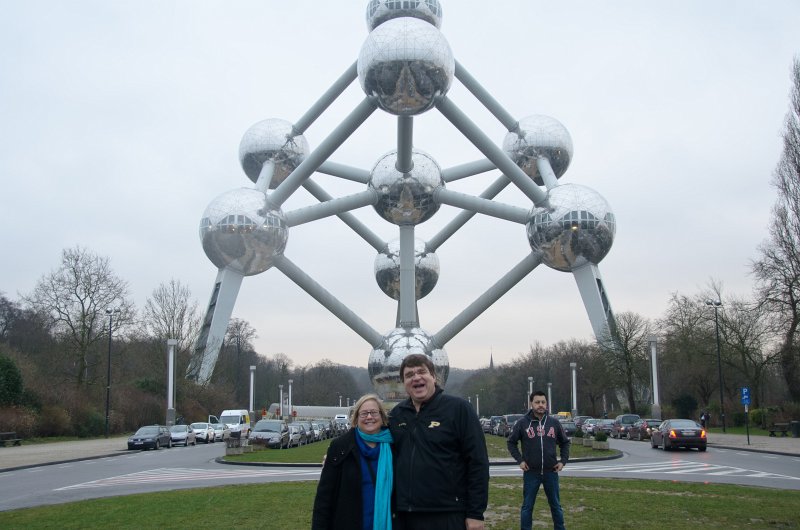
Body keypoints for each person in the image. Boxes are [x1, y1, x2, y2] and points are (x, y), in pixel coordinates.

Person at [389, 353, 490, 530]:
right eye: (409, 375)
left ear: (433, 377)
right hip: (406, 514)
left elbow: (477, 462)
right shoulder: (397, 415)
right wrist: (339, 453)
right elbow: (375, 444)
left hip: (448, 513)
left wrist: (475, 513)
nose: (416, 377)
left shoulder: (458, 409)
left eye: (422, 372)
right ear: (403, 383)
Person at [312, 393, 393, 530]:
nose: (369, 417)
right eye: (363, 413)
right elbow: (324, 498)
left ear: (382, 416)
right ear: (356, 419)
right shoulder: (340, 447)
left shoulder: (394, 446)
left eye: (374, 412)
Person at [507, 390, 570, 530]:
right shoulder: (522, 423)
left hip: (551, 472)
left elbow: (565, 442)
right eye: (537, 402)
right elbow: (511, 442)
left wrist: (563, 461)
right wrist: (520, 460)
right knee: (527, 507)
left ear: (546, 404)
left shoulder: (554, 423)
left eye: (543, 402)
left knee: (556, 506)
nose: (540, 405)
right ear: (531, 404)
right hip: (531, 473)